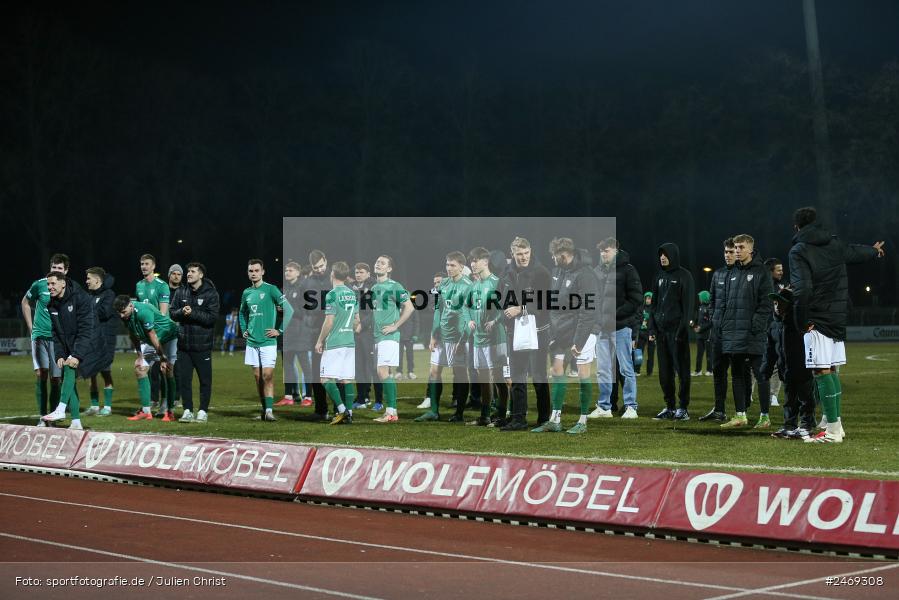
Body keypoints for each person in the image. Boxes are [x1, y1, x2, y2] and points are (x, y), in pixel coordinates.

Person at [788, 207, 885, 443]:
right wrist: (873, 251)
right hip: (837, 315)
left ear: (796, 227)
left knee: (820, 371)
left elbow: (803, 290)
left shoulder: (799, 250)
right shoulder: (833, 243)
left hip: (817, 317)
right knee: (829, 369)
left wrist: (801, 321)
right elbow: (854, 252)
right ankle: (835, 424)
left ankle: (831, 432)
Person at [532, 238, 600, 434]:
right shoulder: (558, 271)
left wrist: (579, 341)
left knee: (583, 373)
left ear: (563, 255)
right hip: (562, 332)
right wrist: (554, 333)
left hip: (584, 331)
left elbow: (589, 311)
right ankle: (555, 419)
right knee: (556, 370)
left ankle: (583, 420)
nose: (552, 259)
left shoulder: (585, 275)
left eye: (554, 256)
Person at [720, 234, 774, 430]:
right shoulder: (732, 273)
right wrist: (725, 326)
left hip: (752, 334)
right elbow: (726, 303)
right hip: (733, 333)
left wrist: (755, 327)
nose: (737, 250)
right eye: (735, 247)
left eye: (741, 247)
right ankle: (740, 414)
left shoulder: (761, 272)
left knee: (760, 375)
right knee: (736, 375)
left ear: (751, 249)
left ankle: (765, 416)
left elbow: (766, 303)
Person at [41, 272, 107, 430]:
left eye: (53, 284)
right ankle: (76, 422)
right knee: (67, 376)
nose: (49, 287)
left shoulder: (80, 297)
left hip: (91, 343)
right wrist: (59, 355)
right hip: (74, 344)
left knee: (70, 366)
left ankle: (61, 409)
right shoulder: (51, 304)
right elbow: (56, 334)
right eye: (48, 284)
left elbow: (86, 330)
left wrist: (76, 355)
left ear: (63, 283)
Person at [500, 237, 552, 431]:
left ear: (530, 251)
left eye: (526, 253)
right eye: (519, 254)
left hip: (537, 331)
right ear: (512, 254)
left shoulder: (541, 272)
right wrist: (504, 315)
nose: (523, 257)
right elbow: (501, 299)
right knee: (517, 376)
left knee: (538, 376)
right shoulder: (507, 272)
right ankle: (518, 419)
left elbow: (545, 303)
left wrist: (520, 309)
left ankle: (544, 418)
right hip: (514, 331)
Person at [589, 238, 642, 420]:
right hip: (602, 330)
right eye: (602, 251)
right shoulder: (595, 272)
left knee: (626, 369)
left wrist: (614, 315)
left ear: (616, 251)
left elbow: (636, 299)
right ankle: (604, 406)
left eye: (608, 250)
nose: (604, 253)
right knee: (603, 369)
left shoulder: (628, 270)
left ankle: (631, 407)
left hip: (621, 327)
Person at [415, 253, 472, 422]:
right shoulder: (444, 284)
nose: (449, 268)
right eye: (447, 265)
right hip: (441, 337)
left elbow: (469, 316)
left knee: (460, 374)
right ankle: (434, 411)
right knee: (434, 372)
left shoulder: (469, 286)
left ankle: (459, 413)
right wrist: (434, 334)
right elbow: (438, 311)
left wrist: (463, 339)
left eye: (453, 265)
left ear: (462, 266)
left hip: (457, 338)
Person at [240, 259, 294, 421]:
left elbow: (289, 310)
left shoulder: (271, 290)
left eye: (257, 270)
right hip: (252, 342)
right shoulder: (246, 293)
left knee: (267, 375)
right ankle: (264, 410)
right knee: (257, 377)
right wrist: (244, 330)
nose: (254, 273)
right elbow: (243, 313)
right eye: (251, 271)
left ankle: (270, 411)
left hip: (268, 341)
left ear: (263, 272)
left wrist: (279, 330)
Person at [114, 294, 179, 421]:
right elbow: (133, 335)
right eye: (119, 313)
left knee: (167, 370)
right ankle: (146, 411)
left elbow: (152, 335)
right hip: (152, 340)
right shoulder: (126, 315)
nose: (121, 315)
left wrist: (162, 357)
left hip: (169, 337)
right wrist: (139, 355)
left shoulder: (143, 312)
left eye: (123, 312)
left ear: (131, 306)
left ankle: (170, 411)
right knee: (140, 368)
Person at [648, 243, 694, 421]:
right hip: (661, 334)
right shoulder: (658, 276)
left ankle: (683, 408)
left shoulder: (684, 276)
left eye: (666, 254)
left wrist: (682, 330)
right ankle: (669, 406)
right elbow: (654, 305)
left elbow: (688, 307)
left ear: (673, 255)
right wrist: (652, 328)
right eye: (660, 254)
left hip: (677, 334)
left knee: (682, 372)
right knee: (664, 373)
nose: (662, 257)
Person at [21, 253, 69, 425]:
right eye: (53, 268)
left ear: (66, 271)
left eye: (59, 268)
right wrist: (30, 326)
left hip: (57, 339)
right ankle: (42, 417)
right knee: (41, 374)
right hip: (40, 336)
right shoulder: (40, 285)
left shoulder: (69, 289)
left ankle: (52, 416)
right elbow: (25, 303)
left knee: (56, 379)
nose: (55, 271)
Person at [464, 247, 509, 426]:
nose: (473, 264)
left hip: (496, 338)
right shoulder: (473, 286)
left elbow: (505, 307)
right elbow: (466, 307)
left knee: (499, 377)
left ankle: (502, 413)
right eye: (471, 262)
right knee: (483, 378)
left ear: (485, 261)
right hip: (478, 338)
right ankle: (484, 415)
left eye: (476, 261)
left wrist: (496, 321)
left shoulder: (497, 282)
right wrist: (468, 321)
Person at [170, 262, 220, 423]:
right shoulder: (180, 291)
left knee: (205, 381)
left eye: (192, 271)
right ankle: (187, 410)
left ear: (201, 275)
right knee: (185, 380)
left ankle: (203, 411)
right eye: (188, 271)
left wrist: (192, 313)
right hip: (183, 345)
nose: (189, 274)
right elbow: (172, 313)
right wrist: (181, 312)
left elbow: (212, 318)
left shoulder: (211, 294)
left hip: (202, 346)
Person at [766, 288, 816, 439]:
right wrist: (766, 368)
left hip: (802, 368)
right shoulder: (775, 325)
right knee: (789, 400)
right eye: (775, 303)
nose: (777, 306)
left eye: (780, 303)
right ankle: (789, 425)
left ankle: (806, 426)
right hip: (785, 369)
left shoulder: (798, 322)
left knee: (806, 399)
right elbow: (771, 349)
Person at [370, 255, 414, 422]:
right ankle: (391, 411)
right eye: (377, 262)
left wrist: (395, 325)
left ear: (389, 269)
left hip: (389, 335)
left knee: (383, 372)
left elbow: (409, 307)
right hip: (378, 336)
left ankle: (391, 412)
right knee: (381, 373)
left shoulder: (395, 286)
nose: (378, 264)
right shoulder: (374, 288)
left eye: (382, 263)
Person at [315, 262, 360, 424]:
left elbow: (329, 321)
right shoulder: (352, 294)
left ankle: (342, 411)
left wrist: (320, 340)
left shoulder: (332, 295)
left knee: (325, 379)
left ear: (333, 274)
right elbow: (357, 321)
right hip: (349, 341)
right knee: (346, 379)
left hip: (335, 342)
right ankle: (350, 412)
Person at [699, 238, 736, 423]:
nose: (728, 255)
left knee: (740, 373)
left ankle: (740, 412)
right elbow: (712, 301)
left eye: (731, 252)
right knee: (719, 372)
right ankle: (719, 410)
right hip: (718, 333)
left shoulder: (742, 274)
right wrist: (715, 319)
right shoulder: (718, 274)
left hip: (736, 333)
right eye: (726, 252)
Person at [135, 253, 171, 417]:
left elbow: (163, 314)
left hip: (161, 332)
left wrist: (157, 335)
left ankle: (165, 403)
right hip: (147, 333)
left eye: (147, 264)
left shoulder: (162, 286)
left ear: (153, 266)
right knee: (142, 368)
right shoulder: (139, 286)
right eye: (142, 264)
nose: (144, 266)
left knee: (164, 369)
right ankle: (147, 407)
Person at [297, 250, 331, 419]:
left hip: (333, 334)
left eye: (321, 266)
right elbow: (300, 305)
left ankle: (342, 410)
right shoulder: (307, 282)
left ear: (326, 260)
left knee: (336, 374)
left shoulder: (335, 278)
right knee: (316, 373)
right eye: (315, 267)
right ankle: (321, 410)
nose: (319, 269)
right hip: (315, 334)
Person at [350, 262, 383, 411]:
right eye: (356, 272)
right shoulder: (353, 288)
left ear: (368, 274)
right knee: (359, 367)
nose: (358, 275)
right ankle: (362, 398)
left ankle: (379, 401)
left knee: (373, 368)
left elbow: (373, 311)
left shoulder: (374, 288)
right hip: (356, 334)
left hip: (368, 333)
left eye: (361, 272)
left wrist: (361, 325)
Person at [84, 267, 116, 416]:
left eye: (89, 278)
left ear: (97, 280)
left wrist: (86, 312)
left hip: (104, 341)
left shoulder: (109, 294)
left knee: (105, 372)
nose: (87, 281)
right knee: (91, 372)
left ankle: (108, 407)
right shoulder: (89, 296)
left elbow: (104, 312)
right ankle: (94, 405)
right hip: (91, 340)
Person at [758, 257, 785, 408]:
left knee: (776, 363)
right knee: (755, 362)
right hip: (761, 329)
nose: (781, 272)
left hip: (776, 329)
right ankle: (750, 392)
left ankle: (773, 395)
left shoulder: (782, 286)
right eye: (778, 269)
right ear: (770, 271)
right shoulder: (760, 285)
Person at [277, 261, 305, 406]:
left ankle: (308, 396)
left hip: (300, 333)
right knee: (287, 365)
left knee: (305, 366)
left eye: (291, 270)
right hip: (287, 332)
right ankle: (289, 396)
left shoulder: (303, 288)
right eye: (286, 270)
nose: (287, 272)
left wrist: (289, 308)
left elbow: (304, 311)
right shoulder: (285, 289)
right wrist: (281, 310)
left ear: (298, 273)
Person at [416, 272, 445, 411]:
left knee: (462, 372)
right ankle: (430, 398)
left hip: (456, 337)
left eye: (439, 282)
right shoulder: (434, 298)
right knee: (433, 371)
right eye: (435, 283)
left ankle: (460, 400)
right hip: (438, 337)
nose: (436, 285)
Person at [691, 291, 713, 376]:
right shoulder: (700, 308)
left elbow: (710, 323)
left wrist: (701, 328)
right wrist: (692, 324)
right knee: (699, 354)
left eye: (700, 297)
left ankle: (710, 370)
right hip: (700, 335)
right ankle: (698, 371)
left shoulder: (710, 308)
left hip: (708, 335)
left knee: (709, 354)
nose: (699, 299)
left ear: (704, 298)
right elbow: (696, 320)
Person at [635, 292, 655, 377]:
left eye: (649, 298)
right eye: (647, 298)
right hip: (642, 334)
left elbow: (655, 323)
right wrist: (640, 327)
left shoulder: (655, 309)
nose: (648, 300)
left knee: (651, 355)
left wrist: (652, 334)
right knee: (639, 354)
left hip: (652, 335)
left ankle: (649, 372)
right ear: (644, 299)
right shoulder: (640, 308)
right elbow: (637, 321)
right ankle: (637, 371)